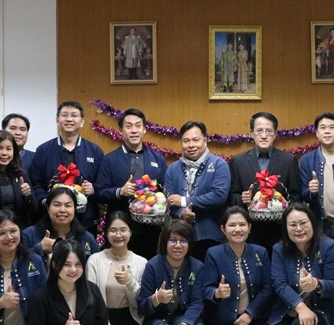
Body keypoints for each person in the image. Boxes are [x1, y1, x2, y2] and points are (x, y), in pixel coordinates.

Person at [203, 207, 272, 325]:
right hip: (220, 320)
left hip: (248, 319)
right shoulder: (213, 253)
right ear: (223, 229)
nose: (237, 229)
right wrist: (217, 293)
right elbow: (206, 288)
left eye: (242, 224)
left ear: (249, 227)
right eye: (232, 225)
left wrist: (251, 313)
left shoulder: (260, 252)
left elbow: (268, 287)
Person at [137, 220, 208, 325]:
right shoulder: (152, 265)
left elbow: (197, 302)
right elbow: (142, 306)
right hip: (158, 319)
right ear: (165, 242)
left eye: (183, 241)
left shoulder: (197, 267)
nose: (178, 245)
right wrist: (156, 299)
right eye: (173, 240)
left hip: (183, 316)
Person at [86, 211, 147, 325]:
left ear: (130, 232)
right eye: (113, 230)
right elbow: (91, 301)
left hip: (130, 322)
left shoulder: (141, 263)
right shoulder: (95, 260)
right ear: (106, 233)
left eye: (123, 230)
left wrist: (130, 283)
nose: (118, 235)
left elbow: (141, 303)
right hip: (102, 323)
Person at [96, 108, 167, 260]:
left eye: (138, 126)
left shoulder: (158, 159)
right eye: (129, 126)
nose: (134, 130)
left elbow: (165, 190)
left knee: (146, 267)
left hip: (150, 228)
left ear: (144, 129)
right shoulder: (109, 160)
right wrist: (119, 192)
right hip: (118, 227)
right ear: (121, 131)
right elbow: (99, 192)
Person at [229, 112, 301, 253]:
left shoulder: (288, 160)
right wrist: (242, 199)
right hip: (249, 232)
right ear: (251, 133)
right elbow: (232, 196)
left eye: (268, 131)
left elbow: (296, 196)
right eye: (259, 131)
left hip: (280, 231)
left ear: (275, 134)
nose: (263, 136)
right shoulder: (238, 161)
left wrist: (283, 208)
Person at [29, 101, 104, 234]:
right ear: (57, 120)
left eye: (74, 115)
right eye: (64, 115)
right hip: (51, 220)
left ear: (82, 122)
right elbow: (35, 183)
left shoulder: (95, 151)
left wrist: (93, 188)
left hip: (86, 219)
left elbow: (103, 183)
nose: (69, 119)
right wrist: (47, 201)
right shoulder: (43, 151)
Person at [164, 121, 231, 261]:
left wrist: (184, 201)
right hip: (179, 238)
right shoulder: (172, 169)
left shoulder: (219, 164)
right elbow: (170, 200)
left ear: (205, 141)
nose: (191, 145)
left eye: (196, 140)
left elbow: (219, 196)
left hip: (211, 236)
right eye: (186, 141)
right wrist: (182, 213)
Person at [299, 113, 334, 238]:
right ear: (317, 133)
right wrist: (312, 192)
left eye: (332, 127)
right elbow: (302, 194)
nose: (327, 131)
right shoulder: (307, 160)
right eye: (323, 128)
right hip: (317, 225)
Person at [22, 187, 100, 261]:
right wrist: (39, 248)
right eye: (57, 205)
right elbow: (18, 265)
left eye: (68, 205)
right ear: (48, 208)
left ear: (75, 209)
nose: (62, 210)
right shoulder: (29, 235)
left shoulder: (87, 238)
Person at [0, 130, 38, 229]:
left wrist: (28, 196)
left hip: (18, 229)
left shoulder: (20, 174)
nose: (4, 153)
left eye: (9, 149)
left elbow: (33, 209)